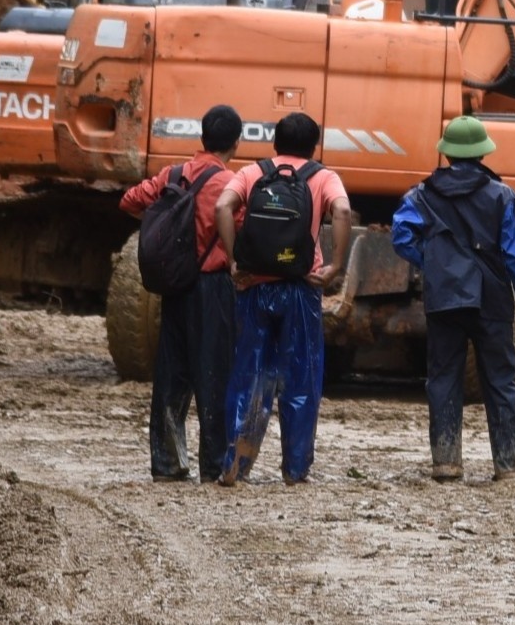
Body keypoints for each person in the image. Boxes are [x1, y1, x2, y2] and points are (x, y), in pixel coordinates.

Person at [390, 116, 515, 483]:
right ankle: (506, 466)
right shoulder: (503, 196)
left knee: (443, 377)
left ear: (448, 154)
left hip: (444, 299)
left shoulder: (421, 195)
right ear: (482, 153)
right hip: (492, 301)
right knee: (501, 381)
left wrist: (434, 262)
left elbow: (401, 236)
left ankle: (446, 462)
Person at [212, 111, 350, 485]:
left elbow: (223, 206)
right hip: (301, 288)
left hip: (254, 285)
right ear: (314, 145)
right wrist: (335, 264)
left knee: (247, 374)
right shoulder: (323, 176)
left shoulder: (253, 173)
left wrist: (234, 260)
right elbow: (342, 210)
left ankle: (235, 464)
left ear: (275, 143)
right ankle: (294, 469)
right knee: (301, 379)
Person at [117, 104, 241, 482]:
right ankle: (215, 465)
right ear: (235, 143)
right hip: (213, 288)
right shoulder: (229, 185)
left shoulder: (173, 175)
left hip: (176, 285)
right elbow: (242, 229)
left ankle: (168, 464)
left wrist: (168, 222)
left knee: (172, 373)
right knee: (213, 374)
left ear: (202, 138)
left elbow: (130, 201)